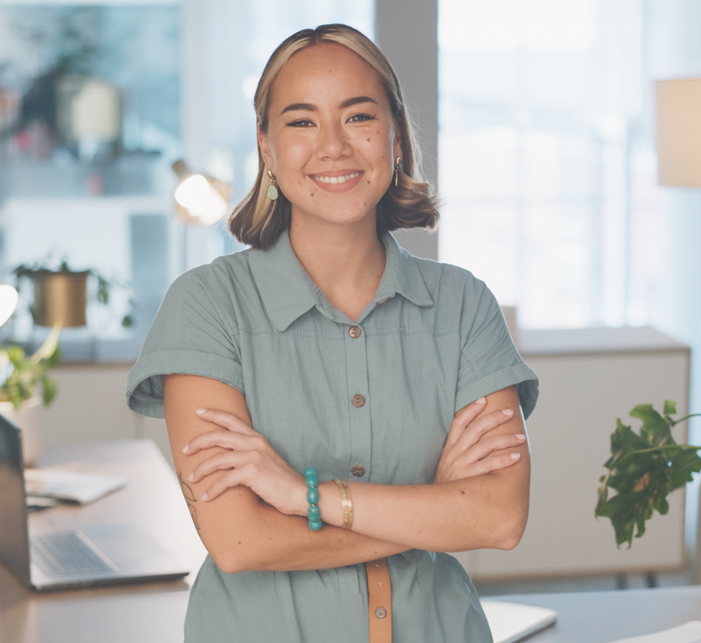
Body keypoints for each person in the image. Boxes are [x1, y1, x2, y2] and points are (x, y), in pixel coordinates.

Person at [126, 23, 538, 643]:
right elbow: (240, 541)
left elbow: (500, 519)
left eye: (358, 116)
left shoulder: (462, 306)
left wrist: (300, 496)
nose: (334, 147)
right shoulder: (208, 306)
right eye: (301, 121)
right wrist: (436, 506)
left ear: (394, 137)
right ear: (266, 147)